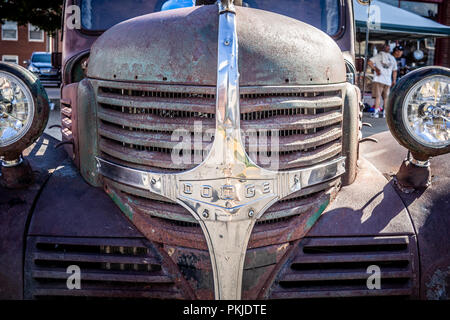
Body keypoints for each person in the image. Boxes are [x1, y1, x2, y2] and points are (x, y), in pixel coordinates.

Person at [367, 44, 398, 118]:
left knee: (378, 97)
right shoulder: (392, 58)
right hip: (388, 81)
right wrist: (394, 80)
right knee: (386, 97)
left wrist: (376, 69)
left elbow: (369, 62)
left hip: (379, 79)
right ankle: (385, 113)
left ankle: (376, 112)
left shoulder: (378, 56)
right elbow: (395, 71)